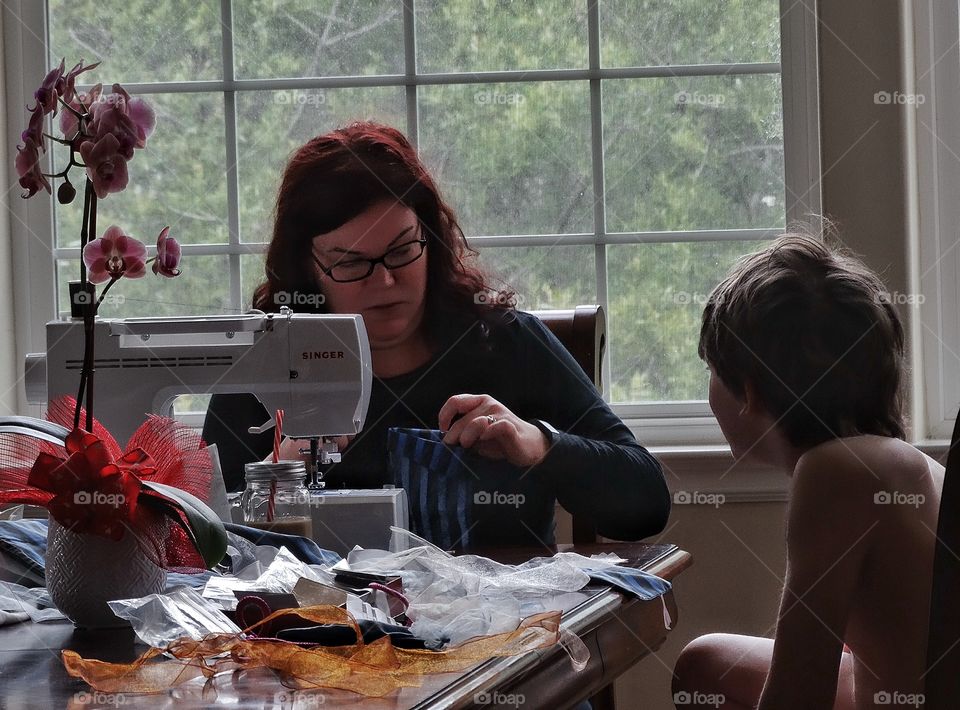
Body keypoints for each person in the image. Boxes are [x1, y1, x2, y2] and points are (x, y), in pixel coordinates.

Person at [202, 121, 670, 550]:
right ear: (307, 267)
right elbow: (196, 545)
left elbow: (646, 507)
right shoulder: (262, 365)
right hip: (315, 638)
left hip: (502, 633)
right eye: (350, 263)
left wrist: (540, 445)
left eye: (402, 249)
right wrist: (275, 471)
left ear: (431, 236)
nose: (383, 282)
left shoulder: (505, 343)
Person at [672, 234, 943, 709]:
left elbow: (798, 697)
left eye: (711, 369)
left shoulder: (835, 472)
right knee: (705, 665)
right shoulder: (898, 463)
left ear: (749, 390)